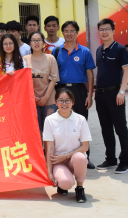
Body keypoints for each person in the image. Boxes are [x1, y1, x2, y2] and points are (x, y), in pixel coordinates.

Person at [53, 20, 96, 169]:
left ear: (77, 33)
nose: (69, 33)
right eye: (66, 31)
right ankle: (62, 157)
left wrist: (89, 95)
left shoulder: (85, 51)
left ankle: (85, 157)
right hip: (61, 90)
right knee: (61, 123)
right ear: (62, 33)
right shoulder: (56, 51)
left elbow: (90, 74)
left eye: (72, 31)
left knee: (81, 124)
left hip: (79, 90)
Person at [94, 18, 128, 174]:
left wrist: (122, 92)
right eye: (101, 29)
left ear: (113, 31)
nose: (104, 32)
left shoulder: (120, 49)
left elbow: (127, 71)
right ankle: (110, 159)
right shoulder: (98, 50)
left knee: (120, 128)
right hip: (100, 94)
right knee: (106, 128)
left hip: (115, 93)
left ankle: (125, 162)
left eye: (107, 29)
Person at [43, 88, 91, 203]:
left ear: (73, 102)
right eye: (61, 100)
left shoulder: (81, 119)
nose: (64, 103)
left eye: (67, 100)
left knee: (80, 157)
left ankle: (80, 188)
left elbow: (85, 147)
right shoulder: (49, 120)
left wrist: (65, 156)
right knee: (66, 183)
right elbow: (50, 148)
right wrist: (49, 172)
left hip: (74, 159)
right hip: (58, 161)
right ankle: (62, 183)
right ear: (56, 103)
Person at [23, 31, 59, 133]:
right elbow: (24, 82)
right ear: (30, 43)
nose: (36, 42)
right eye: (33, 40)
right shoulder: (25, 59)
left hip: (49, 100)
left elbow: (53, 79)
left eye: (39, 40)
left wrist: (45, 97)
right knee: (35, 131)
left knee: (50, 131)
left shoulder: (50, 58)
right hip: (31, 100)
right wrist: (33, 97)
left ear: (43, 42)